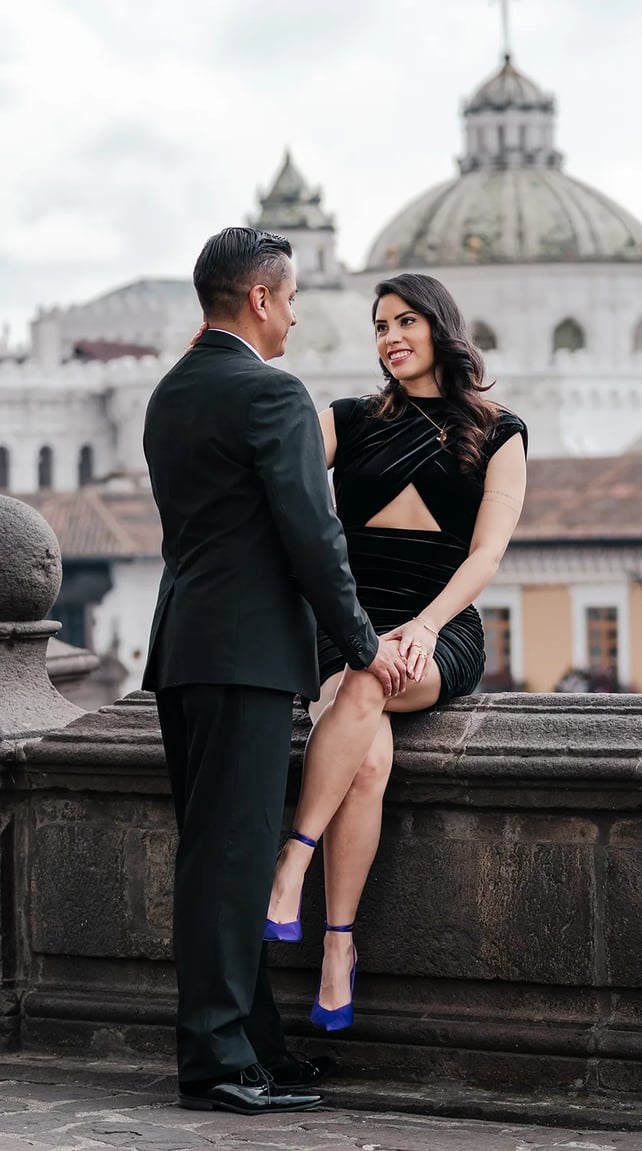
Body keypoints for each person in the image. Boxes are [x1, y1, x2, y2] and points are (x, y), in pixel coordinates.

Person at [142, 227, 408, 1116]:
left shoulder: (172, 391)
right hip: (245, 654)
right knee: (230, 859)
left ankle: (255, 1048)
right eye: (290, 299)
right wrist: (364, 644)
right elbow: (312, 535)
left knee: (219, 853)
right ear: (259, 298)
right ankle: (218, 1061)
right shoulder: (273, 394)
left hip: (186, 647)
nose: (295, 316)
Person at [265, 272, 528, 1031]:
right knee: (369, 758)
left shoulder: (501, 431)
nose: (392, 337)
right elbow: (277, 482)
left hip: (440, 628)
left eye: (406, 321)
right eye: (381, 326)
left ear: (440, 327)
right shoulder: (347, 418)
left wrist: (426, 625)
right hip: (349, 624)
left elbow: (486, 554)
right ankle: (337, 948)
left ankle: (293, 862)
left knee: (367, 682)